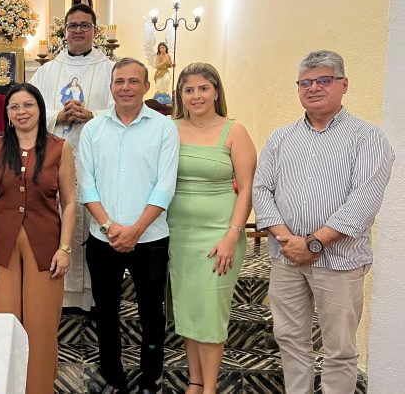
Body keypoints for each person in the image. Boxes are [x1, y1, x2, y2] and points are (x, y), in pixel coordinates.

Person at [253, 50, 394, 394]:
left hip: (340, 262)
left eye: (324, 80)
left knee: (340, 350)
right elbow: (261, 188)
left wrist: (313, 242)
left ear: (344, 84)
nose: (314, 87)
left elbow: (364, 199)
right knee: (289, 339)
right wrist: (289, 240)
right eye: (306, 82)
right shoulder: (281, 138)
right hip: (286, 259)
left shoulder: (368, 138)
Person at [79, 57, 179, 394]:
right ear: (111, 86)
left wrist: (135, 230)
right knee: (106, 312)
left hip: (150, 238)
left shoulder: (164, 128)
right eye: (119, 81)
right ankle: (113, 376)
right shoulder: (93, 129)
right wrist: (109, 227)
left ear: (146, 87)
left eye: (133, 81)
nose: (126, 87)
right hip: (102, 238)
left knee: (152, 312)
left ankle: (151, 376)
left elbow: (165, 186)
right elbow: (86, 185)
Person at [0, 83, 76, 393]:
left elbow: (70, 201)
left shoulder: (60, 148)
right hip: (2, 246)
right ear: (6, 113)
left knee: (41, 327)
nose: (22, 112)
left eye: (28, 105)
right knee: (5, 323)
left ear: (40, 109)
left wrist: (65, 248)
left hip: (45, 246)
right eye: (15, 106)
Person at [167, 63, 256, 394]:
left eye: (203, 88)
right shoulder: (168, 127)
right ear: (181, 95)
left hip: (219, 234)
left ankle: (210, 388)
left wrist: (232, 235)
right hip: (178, 234)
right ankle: (193, 382)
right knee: (188, 310)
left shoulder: (235, 131)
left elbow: (246, 188)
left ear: (216, 91)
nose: (196, 95)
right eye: (188, 90)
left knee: (209, 312)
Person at [30, 3, 114, 311]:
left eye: (84, 25)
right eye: (72, 26)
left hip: (95, 164)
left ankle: (90, 298)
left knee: (90, 221)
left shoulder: (109, 70)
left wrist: (92, 115)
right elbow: (29, 109)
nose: (78, 30)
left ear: (94, 30)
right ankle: (58, 296)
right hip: (54, 161)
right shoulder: (47, 71)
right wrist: (59, 116)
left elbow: (124, 112)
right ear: (64, 32)